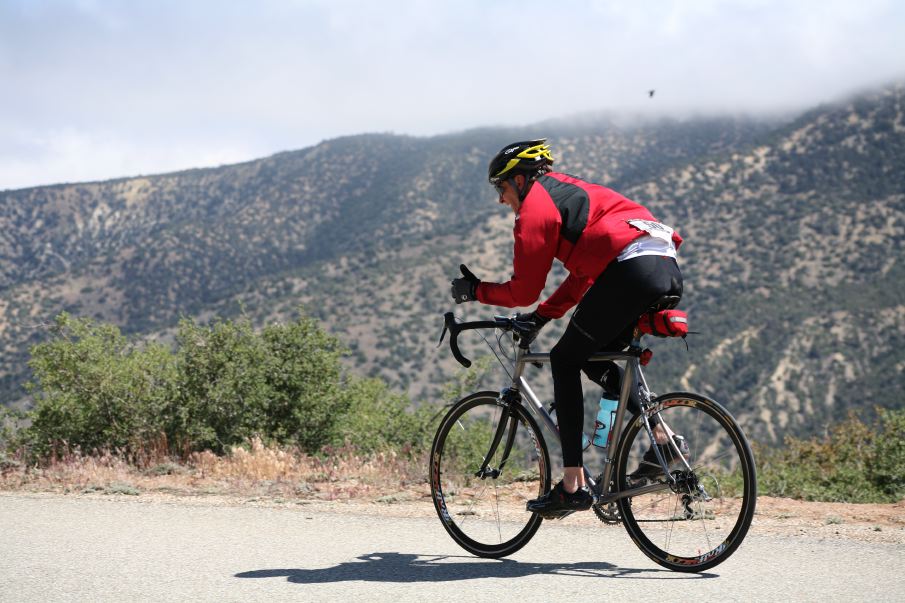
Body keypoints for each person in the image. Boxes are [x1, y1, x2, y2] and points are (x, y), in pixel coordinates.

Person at [450, 139, 684, 518]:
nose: (500, 200)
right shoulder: (571, 195)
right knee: (593, 358)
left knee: (564, 359)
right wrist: (543, 316)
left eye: (501, 188)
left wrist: (476, 291)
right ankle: (664, 438)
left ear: (520, 180)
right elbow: (581, 279)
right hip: (663, 268)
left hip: (631, 270)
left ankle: (572, 486)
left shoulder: (536, 208)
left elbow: (523, 289)